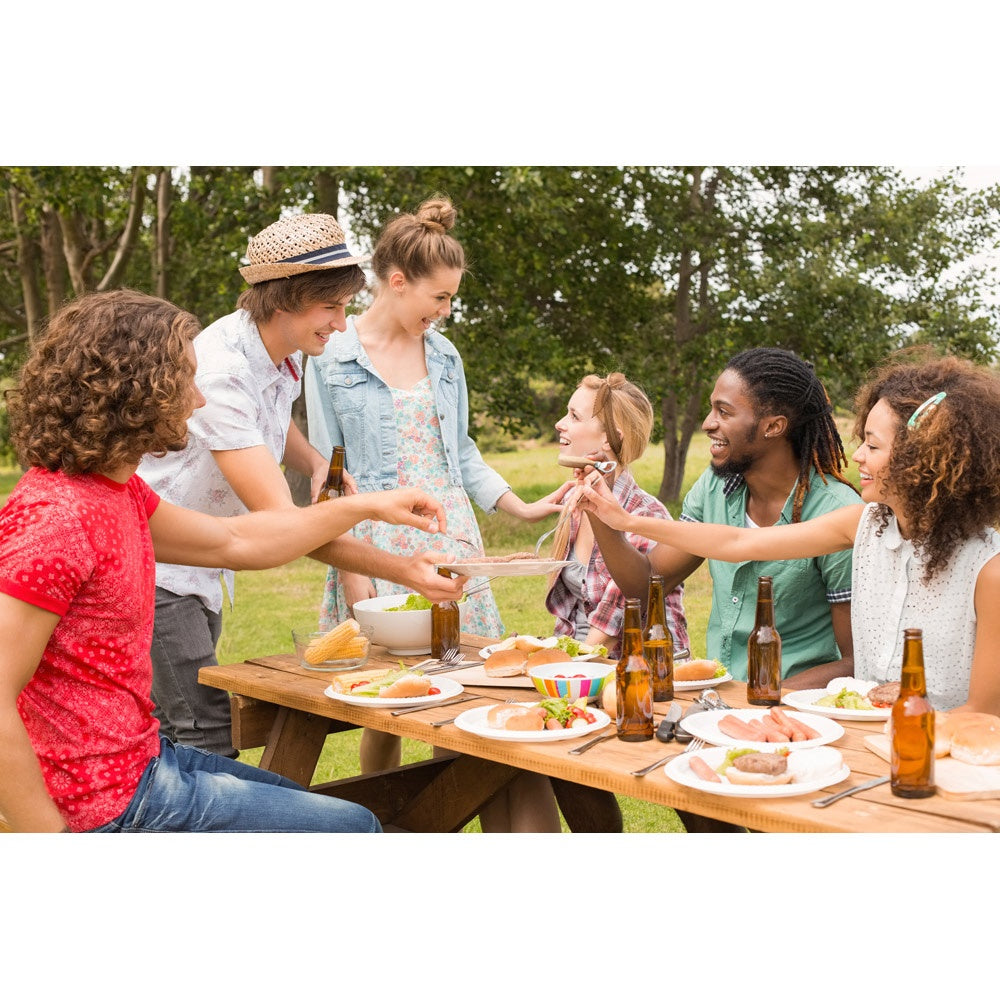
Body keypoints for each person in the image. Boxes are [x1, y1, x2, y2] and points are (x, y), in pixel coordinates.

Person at [0, 289, 452, 833]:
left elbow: (238, 542)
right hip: (101, 805)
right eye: (186, 380)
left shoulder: (118, 494)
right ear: (136, 389)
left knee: (326, 807)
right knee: (353, 829)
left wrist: (370, 504)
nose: (197, 399)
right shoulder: (57, 517)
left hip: (139, 763)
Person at [137, 213, 465, 759]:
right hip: (161, 569)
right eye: (330, 307)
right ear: (285, 299)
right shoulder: (221, 373)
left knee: (177, 728)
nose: (341, 324)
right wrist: (397, 556)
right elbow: (286, 530)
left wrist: (311, 459)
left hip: (202, 566)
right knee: (206, 729)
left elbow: (271, 418)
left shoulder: (278, 349)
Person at [578, 349, 1000, 715]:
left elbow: (980, 715)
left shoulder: (987, 571)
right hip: (856, 734)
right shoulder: (863, 525)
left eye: (873, 446)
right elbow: (738, 542)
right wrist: (625, 520)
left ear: (921, 459)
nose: (857, 456)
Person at [304, 196, 567, 780]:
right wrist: (358, 584)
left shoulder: (445, 356)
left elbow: (462, 451)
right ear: (397, 282)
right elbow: (328, 475)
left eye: (452, 298)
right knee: (385, 701)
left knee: (466, 685)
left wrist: (519, 507)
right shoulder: (329, 356)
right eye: (440, 297)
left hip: (451, 540)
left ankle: (455, 801)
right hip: (374, 537)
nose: (446, 311)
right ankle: (386, 812)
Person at [584, 348, 862, 690]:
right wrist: (599, 507)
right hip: (722, 696)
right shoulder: (714, 487)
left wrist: (760, 700)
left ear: (773, 426)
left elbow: (855, 660)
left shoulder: (838, 512)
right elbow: (647, 585)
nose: (707, 423)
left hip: (798, 710)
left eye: (724, 412)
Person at [545, 372, 688, 658]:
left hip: (641, 669)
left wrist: (558, 667)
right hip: (585, 660)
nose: (560, 424)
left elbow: (608, 632)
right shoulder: (577, 502)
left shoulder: (646, 515)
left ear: (611, 438)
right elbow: (571, 617)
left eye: (574, 416)